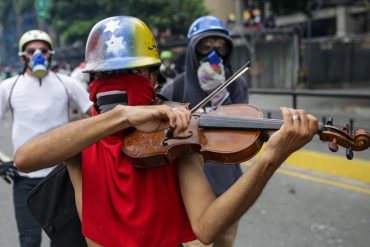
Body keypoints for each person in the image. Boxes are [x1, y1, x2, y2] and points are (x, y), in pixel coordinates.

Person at [14, 16, 318, 247]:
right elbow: (25, 159)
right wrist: (121, 115)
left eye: (131, 73)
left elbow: (207, 228)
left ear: (153, 77)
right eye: (106, 75)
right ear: (92, 81)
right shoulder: (83, 137)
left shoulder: (176, 133)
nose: (117, 83)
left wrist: (269, 159)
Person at [160, 15, 248, 246]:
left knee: (225, 242)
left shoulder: (236, 84)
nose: (213, 53)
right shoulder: (176, 86)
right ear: (192, 50)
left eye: (219, 47)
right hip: (189, 188)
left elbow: (244, 135)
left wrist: (225, 102)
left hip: (227, 183)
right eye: (205, 46)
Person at [0, 29, 92, 247]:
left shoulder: (66, 83)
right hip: (24, 180)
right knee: (29, 240)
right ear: (23, 56)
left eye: (43, 50)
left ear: (50, 53)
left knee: (66, 241)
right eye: (32, 51)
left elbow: (96, 116)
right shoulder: (8, 87)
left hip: (61, 177)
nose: (38, 55)